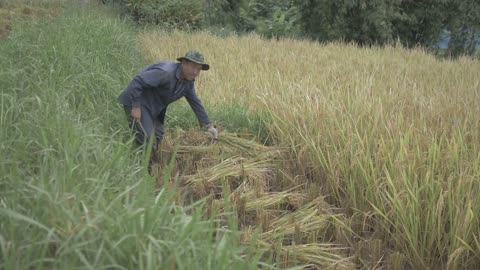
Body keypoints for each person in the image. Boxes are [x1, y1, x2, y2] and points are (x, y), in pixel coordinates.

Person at [118, 50, 218, 169]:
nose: (195, 72)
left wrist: (208, 126)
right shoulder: (166, 72)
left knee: (158, 135)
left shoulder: (188, 82)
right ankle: (146, 171)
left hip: (154, 108)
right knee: (148, 140)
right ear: (183, 63)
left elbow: (195, 102)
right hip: (138, 103)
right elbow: (138, 81)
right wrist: (135, 106)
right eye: (193, 67)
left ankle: (150, 163)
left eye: (199, 69)